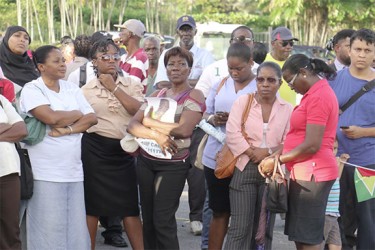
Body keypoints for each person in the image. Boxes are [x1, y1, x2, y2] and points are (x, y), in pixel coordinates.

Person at [19, 45, 97, 249]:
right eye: (57, 61)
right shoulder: (33, 89)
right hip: (45, 171)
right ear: (42, 66)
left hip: (73, 169)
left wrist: (68, 129)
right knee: (48, 228)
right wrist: (76, 113)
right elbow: (51, 118)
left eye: (63, 60)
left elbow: (92, 118)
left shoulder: (71, 88)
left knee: (74, 226)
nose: (63, 64)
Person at [127, 47, 206, 249]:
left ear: (190, 69)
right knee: (149, 221)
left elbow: (183, 130)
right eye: (171, 64)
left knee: (163, 220)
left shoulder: (194, 95)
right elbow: (132, 126)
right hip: (146, 161)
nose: (176, 68)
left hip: (173, 164)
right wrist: (157, 135)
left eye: (182, 64)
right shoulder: (158, 93)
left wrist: (149, 122)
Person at [259, 54, 338, 250]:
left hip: (313, 174)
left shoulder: (319, 96)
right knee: (300, 236)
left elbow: (312, 144)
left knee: (308, 239)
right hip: (303, 172)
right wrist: (278, 155)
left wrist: (278, 161)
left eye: (290, 81)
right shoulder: (313, 94)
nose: (290, 87)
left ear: (303, 73)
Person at [80, 39, 144, 250]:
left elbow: (139, 111)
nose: (111, 60)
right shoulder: (85, 90)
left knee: (130, 207)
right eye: (104, 57)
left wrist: (113, 87)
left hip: (124, 151)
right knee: (92, 207)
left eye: (115, 56)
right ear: (94, 62)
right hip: (95, 151)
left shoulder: (132, 83)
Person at [155, 15, 214, 236]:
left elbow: (205, 88)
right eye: (183, 29)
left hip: (196, 123)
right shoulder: (166, 54)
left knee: (196, 173)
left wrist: (188, 84)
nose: (186, 33)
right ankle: (166, 216)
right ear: (178, 31)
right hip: (169, 120)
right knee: (169, 169)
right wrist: (191, 82)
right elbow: (162, 83)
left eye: (189, 29)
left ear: (195, 32)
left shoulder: (206, 55)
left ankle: (195, 217)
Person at [224, 62, 293, 249]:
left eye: (271, 80)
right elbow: (232, 132)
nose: (265, 84)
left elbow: (290, 141)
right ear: (256, 81)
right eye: (261, 79)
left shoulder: (288, 109)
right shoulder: (243, 101)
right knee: (240, 228)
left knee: (264, 229)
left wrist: (268, 152)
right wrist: (251, 152)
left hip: (272, 173)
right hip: (244, 167)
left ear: (280, 84)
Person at [201, 43, 257, 249]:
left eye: (239, 68)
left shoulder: (260, 85)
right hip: (216, 157)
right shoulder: (221, 83)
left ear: (251, 63)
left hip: (245, 158)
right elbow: (204, 116)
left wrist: (237, 120)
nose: (234, 72)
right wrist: (214, 118)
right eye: (230, 68)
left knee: (244, 215)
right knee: (219, 211)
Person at [329, 28, 375, 250]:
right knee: (337, 216)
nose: (362, 54)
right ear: (350, 50)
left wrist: (363, 132)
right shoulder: (334, 79)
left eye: (368, 50)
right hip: (336, 162)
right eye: (357, 49)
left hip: (368, 163)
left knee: (367, 218)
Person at [195, 25, 258, 98]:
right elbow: (199, 96)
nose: (242, 43)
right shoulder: (212, 69)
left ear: (253, 44)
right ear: (230, 42)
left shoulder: (260, 71)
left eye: (247, 39)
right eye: (237, 39)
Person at [0, 95, 27, 250]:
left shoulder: (1, 100)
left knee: (10, 230)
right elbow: (13, 127)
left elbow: (21, 130)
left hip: (7, 172)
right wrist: (5, 125)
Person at [264, 26, 299, 105]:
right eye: (284, 43)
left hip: (290, 113)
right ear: (273, 44)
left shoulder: (295, 63)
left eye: (291, 43)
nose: (288, 47)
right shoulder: (263, 62)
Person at [114, 19, 149, 88]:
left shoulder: (140, 58)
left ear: (129, 34)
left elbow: (131, 88)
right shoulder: (124, 57)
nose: (119, 34)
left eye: (122, 30)